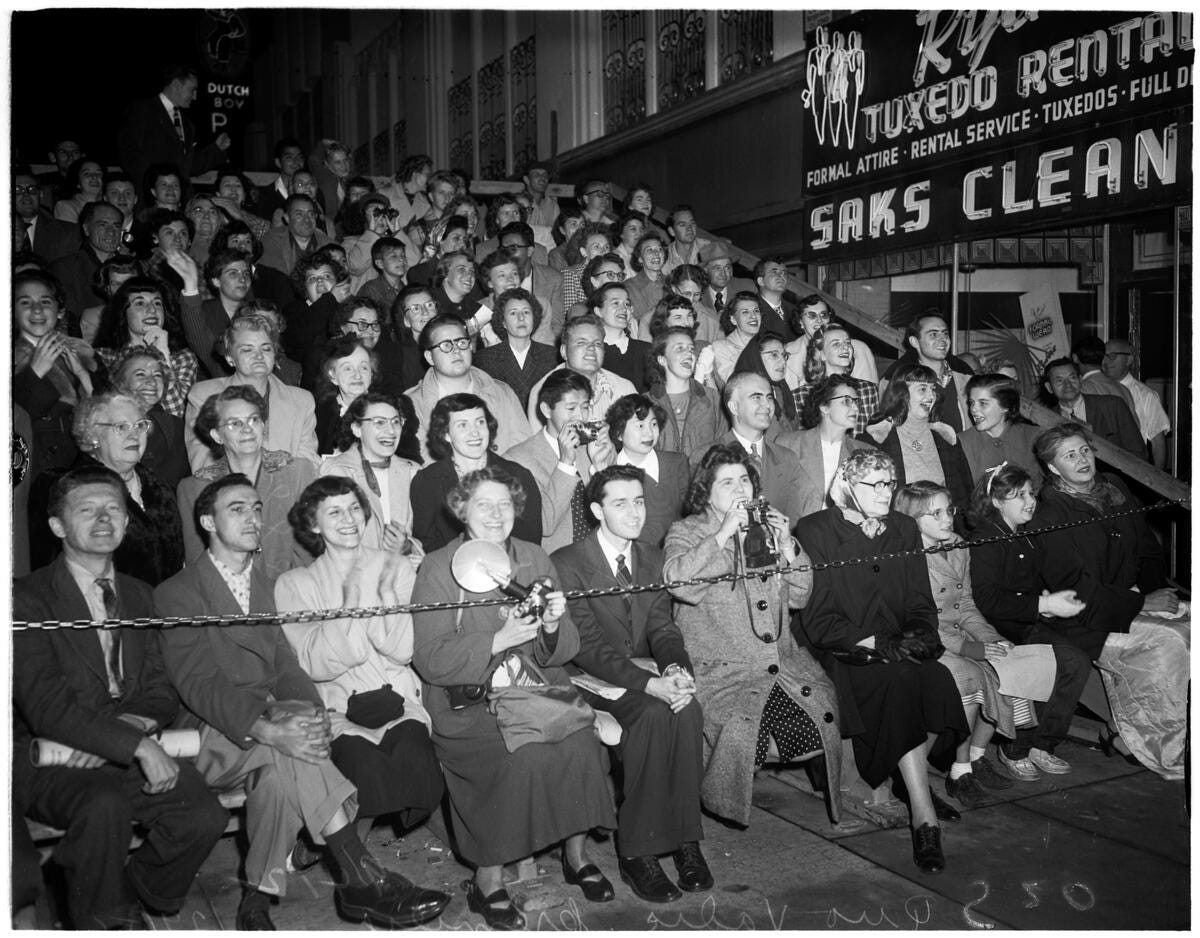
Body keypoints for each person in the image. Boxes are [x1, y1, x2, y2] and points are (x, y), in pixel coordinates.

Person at [156, 474, 451, 930]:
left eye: (257, 508)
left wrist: (313, 714)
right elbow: (199, 686)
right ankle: (361, 878)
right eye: (238, 509)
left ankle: (256, 899)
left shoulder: (263, 583)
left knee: (278, 777)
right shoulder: (177, 592)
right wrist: (271, 727)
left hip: (279, 722)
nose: (253, 517)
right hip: (217, 731)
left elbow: (285, 665)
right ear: (206, 521)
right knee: (291, 749)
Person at [14, 466, 228, 929]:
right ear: (57, 526)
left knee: (202, 816)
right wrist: (136, 747)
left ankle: (128, 891)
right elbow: (45, 707)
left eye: (114, 509)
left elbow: (159, 689)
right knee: (103, 805)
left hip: (125, 743)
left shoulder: (141, 595)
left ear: (128, 523)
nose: (104, 519)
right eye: (87, 510)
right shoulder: (24, 599)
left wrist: (133, 731)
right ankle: (104, 918)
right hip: (51, 755)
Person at [410, 467, 618, 929]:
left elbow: (565, 651)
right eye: (484, 504)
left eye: (505, 504)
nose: (496, 514)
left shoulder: (533, 557)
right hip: (470, 699)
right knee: (514, 757)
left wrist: (550, 625)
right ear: (461, 509)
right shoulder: (439, 567)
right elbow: (428, 659)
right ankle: (488, 880)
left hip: (534, 692)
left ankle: (575, 854)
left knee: (581, 744)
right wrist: (498, 640)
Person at [796, 449, 969, 874]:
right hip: (841, 650)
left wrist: (921, 634)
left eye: (888, 483)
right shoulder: (815, 530)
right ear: (846, 485)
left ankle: (906, 785)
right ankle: (923, 814)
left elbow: (918, 599)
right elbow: (819, 620)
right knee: (900, 681)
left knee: (934, 677)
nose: (884, 492)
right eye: (873, 483)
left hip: (895, 646)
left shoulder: (904, 528)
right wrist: (876, 644)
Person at [663, 444, 844, 829]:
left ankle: (731, 778)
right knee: (742, 737)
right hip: (722, 669)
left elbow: (800, 596)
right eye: (727, 482)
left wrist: (790, 547)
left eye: (744, 479)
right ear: (706, 492)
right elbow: (679, 583)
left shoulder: (766, 527)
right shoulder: (687, 530)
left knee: (817, 729)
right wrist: (724, 532)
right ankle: (708, 795)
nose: (739, 489)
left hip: (781, 664)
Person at [552, 465, 710, 902]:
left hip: (639, 672)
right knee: (651, 713)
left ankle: (684, 839)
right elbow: (584, 645)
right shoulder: (568, 563)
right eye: (621, 503)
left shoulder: (653, 559)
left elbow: (663, 629)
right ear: (598, 510)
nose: (634, 511)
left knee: (687, 707)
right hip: (586, 677)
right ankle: (638, 851)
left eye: (639, 501)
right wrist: (648, 684)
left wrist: (677, 670)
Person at [275, 477, 444, 837]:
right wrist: (357, 607)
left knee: (416, 761)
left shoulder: (396, 568)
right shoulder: (295, 584)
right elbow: (314, 662)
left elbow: (403, 649)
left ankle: (338, 848)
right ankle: (354, 866)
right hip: (338, 705)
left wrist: (360, 606)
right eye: (334, 512)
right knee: (364, 768)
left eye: (354, 508)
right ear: (313, 524)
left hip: (397, 698)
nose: (348, 518)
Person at [1029, 424, 1188, 778]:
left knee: (1192, 621)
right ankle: (1157, 747)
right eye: (1069, 455)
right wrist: (1143, 605)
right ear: (1053, 468)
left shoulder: (1113, 487)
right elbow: (1074, 589)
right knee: (1169, 642)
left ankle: (1137, 733)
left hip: (1129, 600)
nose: (1082, 459)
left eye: (1084, 450)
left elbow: (1147, 548)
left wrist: (1156, 593)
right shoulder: (1050, 514)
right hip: (1082, 620)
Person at [895, 481, 1052, 803]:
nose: (946, 519)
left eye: (948, 510)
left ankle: (977, 756)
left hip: (959, 635)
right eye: (934, 513)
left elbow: (965, 605)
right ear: (911, 520)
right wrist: (971, 648)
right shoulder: (907, 558)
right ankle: (959, 769)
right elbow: (921, 621)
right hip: (925, 641)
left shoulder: (957, 546)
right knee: (971, 676)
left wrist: (992, 639)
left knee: (1012, 665)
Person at [966, 462, 1095, 782]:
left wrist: (1048, 601)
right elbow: (986, 600)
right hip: (998, 627)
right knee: (1068, 661)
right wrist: (1042, 604)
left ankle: (1042, 744)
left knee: (1082, 652)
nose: (1030, 501)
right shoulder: (987, 539)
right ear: (996, 502)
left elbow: (1031, 581)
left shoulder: (1022, 533)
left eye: (1030, 493)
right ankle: (1017, 747)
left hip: (1025, 619)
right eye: (1018, 495)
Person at [29, 391, 184, 584]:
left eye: (140, 425)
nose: (134, 435)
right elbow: (50, 574)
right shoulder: (63, 488)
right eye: (121, 427)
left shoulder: (162, 489)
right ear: (92, 436)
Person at [178, 385, 316, 579]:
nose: (247, 430)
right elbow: (198, 562)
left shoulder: (298, 471)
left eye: (254, 420)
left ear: (264, 426)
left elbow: (311, 550)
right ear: (217, 435)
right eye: (234, 423)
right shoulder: (195, 487)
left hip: (292, 594)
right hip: (228, 599)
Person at [185, 313, 319, 470]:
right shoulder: (203, 395)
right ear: (229, 357)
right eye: (247, 350)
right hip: (229, 490)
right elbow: (205, 465)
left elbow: (307, 464)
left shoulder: (302, 401)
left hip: (288, 491)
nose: (259, 355)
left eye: (266, 348)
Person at [411, 393, 542, 552]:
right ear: (446, 434)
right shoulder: (427, 480)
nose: (475, 433)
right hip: (451, 569)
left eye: (480, 422)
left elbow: (530, 539)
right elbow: (426, 541)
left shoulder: (518, 476)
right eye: (463, 425)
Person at [505, 368, 616, 553]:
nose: (581, 417)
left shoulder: (593, 448)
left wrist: (600, 467)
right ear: (546, 410)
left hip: (600, 556)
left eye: (585, 407)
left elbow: (614, 509)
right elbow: (545, 524)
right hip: (554, 561)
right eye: (571, 408)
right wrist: (565, 464)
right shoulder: (516, 460)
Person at [405, 314, 531, 463]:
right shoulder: (411, 403)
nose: (456, 351)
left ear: (471, 346)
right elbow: (417, 462)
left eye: (461, 343)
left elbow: (524, 450)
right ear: (429, 357)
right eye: (446, 345)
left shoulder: (501, 392)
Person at [861, 362, 974, 514]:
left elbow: (964, 496)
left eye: (933, 389)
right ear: (902, 393)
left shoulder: (946, 437)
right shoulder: (878, 440)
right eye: (922, 389)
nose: (931, 396)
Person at [704, 371, 809, 527]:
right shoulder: (706, 455)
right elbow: (700, 522)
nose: (767, 405)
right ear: (734, 407)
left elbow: (794, 522)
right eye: (756, 397)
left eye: (769, 397)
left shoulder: (786, 458)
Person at [323, 391, 425, 552]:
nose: (391, 431)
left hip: (402, 571)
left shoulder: (412, 472)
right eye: (379, 422)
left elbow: (427, 535)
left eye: (396, 422)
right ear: (357, 429)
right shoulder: (337, 472)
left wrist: (407, 546)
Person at [13, 269, 93, 472]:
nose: (37, 310)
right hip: (33, 461)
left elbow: (104, 406)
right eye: (25, 302)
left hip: (81, 459)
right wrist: (34, 374)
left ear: (60, 311)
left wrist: (83, 375)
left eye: (45, 301)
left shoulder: (83, 351)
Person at [92, 276, 198, 418]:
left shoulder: (183, 358)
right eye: (140, 303)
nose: (152, 310)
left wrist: (163, 354)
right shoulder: (103, 356)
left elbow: (176, 414)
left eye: (157, 303)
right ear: (123, 313)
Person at [117, 63, 231, 190]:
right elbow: (128, 153)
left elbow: (187, 167)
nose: (194, 96)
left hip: (180, 201)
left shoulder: (187, 125)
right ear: (176, 85)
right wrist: (155, 185)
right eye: (192, 90)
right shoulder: (143, 110)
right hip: (150, 200)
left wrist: (216, 149)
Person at [776, 375, 873, 520]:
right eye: (846, 401)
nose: (855, 408)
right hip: (798, 535)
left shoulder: (865, 454)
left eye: (856, 402)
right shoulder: (788, 444)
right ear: (824, 407)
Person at [605, 394, 689, 546]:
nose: (649, 433)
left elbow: (688, 516)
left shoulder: (676, 462)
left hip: (675, 551)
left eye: (654, 424)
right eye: (640, 426)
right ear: (618, 433)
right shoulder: (610, 471)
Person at [524, 314, 638, 426]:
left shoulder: (624, 389)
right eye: (581, 342)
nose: (591, 348)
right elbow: (541, 443)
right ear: (564, 351)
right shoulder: (543, 390)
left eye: (597, 343)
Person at [107, 345, 188, 489]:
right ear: (120, 383)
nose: (151, 381)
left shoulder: (175, 426)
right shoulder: (104, 423)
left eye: (157, 375)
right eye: (140, 374)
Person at [647, 326, 727, 463]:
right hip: (663, 480)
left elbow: (724, 444)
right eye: (680, 349)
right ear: (662, 360)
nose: (689, 354)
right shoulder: (646, 403)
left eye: (691, 349)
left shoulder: (712, 398)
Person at [882, 314, 973, 431]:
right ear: (914, 342)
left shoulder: (966, 379)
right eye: (933, 334)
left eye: (945, 334)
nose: (943, 340)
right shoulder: (900, 381)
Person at [472, 287, 558, 410]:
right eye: (513, 313)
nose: (521, 318)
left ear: (534, 318)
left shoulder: (552, 356)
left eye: (526, 312)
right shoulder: (484, 359)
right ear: (503, 322)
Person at [1041, 357, 1145, 458]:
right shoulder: (1047, 420)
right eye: (1059, 381)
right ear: (1049, 387)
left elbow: (1138, 452)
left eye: (1072, 378)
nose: (1068, 384)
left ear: (1080, 380)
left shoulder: (1113, 406)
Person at [958, 373, 1044, 488]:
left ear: (1005, 406)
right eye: (971, 402)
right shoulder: (962, 442)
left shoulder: (1033, 436)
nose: (973, 409)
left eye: (983, 403)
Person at [792, 324, 879, 435]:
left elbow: (875, 436)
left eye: (847, 343)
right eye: (836, 344)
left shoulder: (868, 390)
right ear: (821, 355)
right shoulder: (801, 395)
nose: (845, 348)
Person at [1102, 338, 1171, 468]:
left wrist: (1156, 481)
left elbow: (1158, 442)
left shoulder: (1145, 395)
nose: (1105, 362)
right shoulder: (1093, 388)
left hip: (1133, 467)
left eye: (1112, 356)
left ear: (1129, 360)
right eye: (1102, 356)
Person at [784, 294, 878, 388]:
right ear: (800, 321)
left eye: (824, 315)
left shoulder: (858, 349)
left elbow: (868, 392)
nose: (819, 320)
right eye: (812, 316)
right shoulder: (788, 352)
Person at [313, 335, 375, 456]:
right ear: (332, 375)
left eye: (364, 367)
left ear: (371, 374)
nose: (357, 375)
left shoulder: (387, 408)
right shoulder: (319, 413)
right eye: (348, 369)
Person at [732, 334, 798, 433]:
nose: (783, 362)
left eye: (784, 356)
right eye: (774, 355)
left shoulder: (780, 389)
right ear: (756, 358)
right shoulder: (746, 395)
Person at [259, 193, 336, 278]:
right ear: (287, 218)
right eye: (299, 214)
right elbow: (276, 281)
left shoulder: (328, 245)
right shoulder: (271, 240)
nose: (307, 219)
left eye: (311, 214)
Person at [708, 291, 762, 390]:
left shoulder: (768, 343)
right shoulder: (721, 347)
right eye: (745, 312)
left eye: (756, 311)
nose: (753, 316)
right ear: (733, 320)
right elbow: (734, 383)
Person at [625, 231, 669, 330]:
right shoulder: (629, 287)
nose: (656, 253)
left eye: (660, 249)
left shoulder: (672, 283)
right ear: (640, 258)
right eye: (650, 250)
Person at [751, 257, 796, 342]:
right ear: (761, 281)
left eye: (784, 273)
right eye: (774, 272)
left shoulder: (795, 310)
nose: (781, 276)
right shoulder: (750, 309)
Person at [52, 157, 104, 224]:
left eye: (98, 173)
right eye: (87, 173)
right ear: (78, 182)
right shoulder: (65, 206)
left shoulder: (110, 204)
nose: (94, 177)